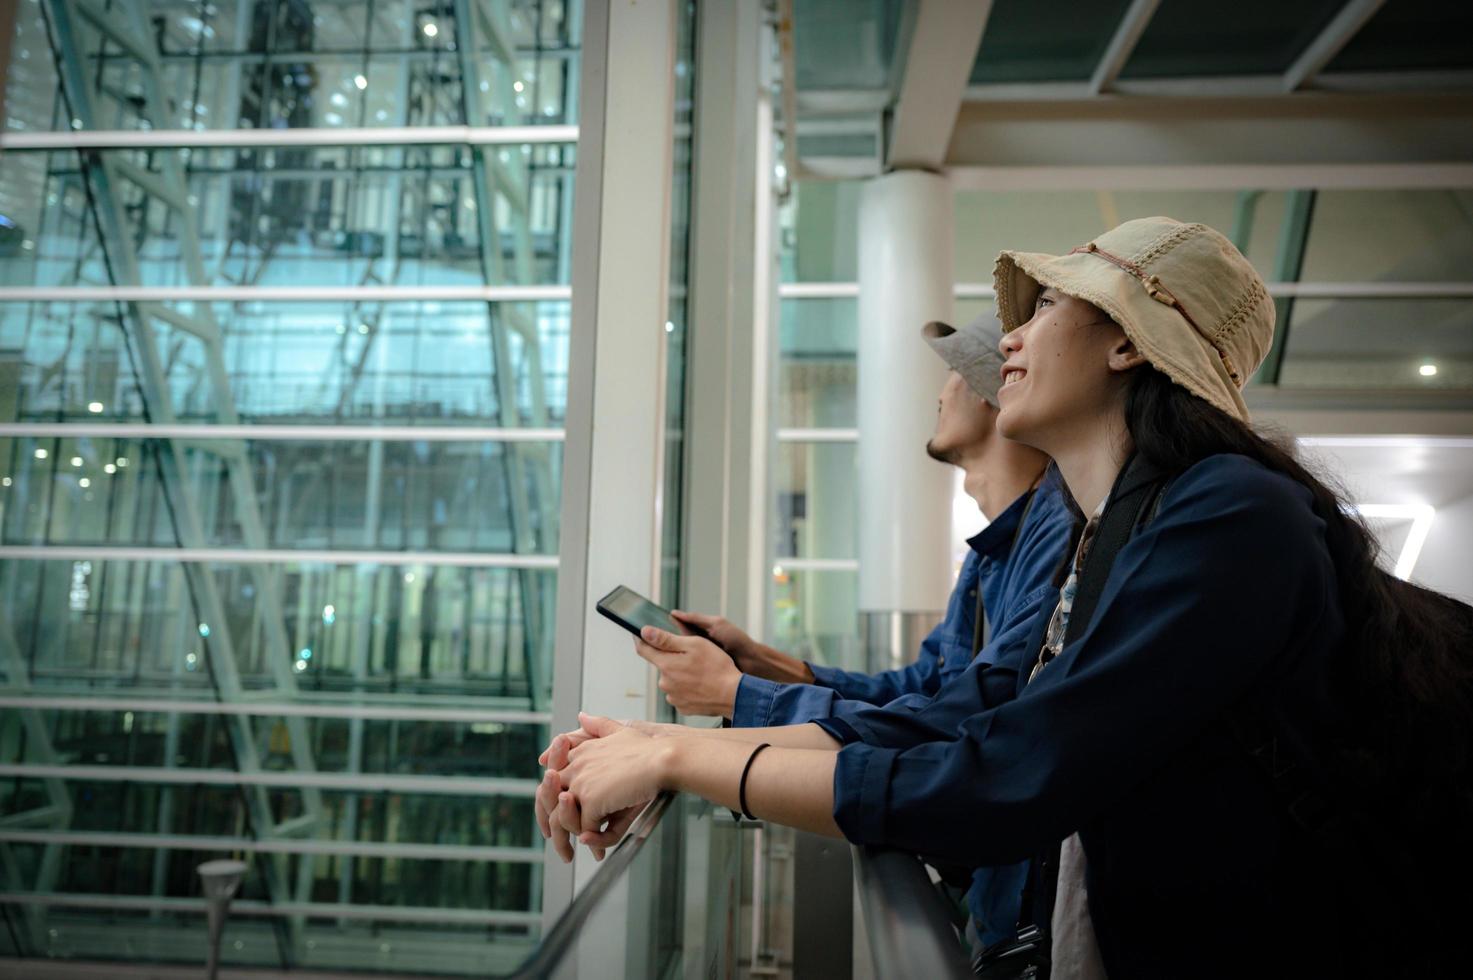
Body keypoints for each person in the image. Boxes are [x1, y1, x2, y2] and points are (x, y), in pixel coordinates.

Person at [538, 217, 1473, 977]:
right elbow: (964, 721)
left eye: (1053, 304)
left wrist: (686, 759)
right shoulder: (1116, 532)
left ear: (1124, 344)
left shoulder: (1232, 516)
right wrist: (667, 743)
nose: (1009, 339)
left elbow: (1007, 769)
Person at [628, 317, 1073, 950]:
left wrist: (736, 698)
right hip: (991, 897)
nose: (939, 393)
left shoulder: (1054, 532)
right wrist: (761, 664)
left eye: (952, 374)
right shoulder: (991, 553)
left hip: (1018, 914)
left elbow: (963, 715)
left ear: (987, 391)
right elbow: (924, 687)